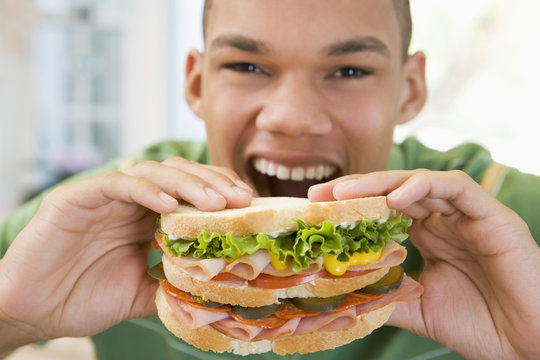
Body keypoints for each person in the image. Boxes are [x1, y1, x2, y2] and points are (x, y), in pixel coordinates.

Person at [1, 0, 539, 359]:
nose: (292, 117)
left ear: (410, 89)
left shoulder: (506, 219)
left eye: (350, 71)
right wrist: (13, 319)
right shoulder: (94, 218)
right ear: (196, 83)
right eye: (248, 66)